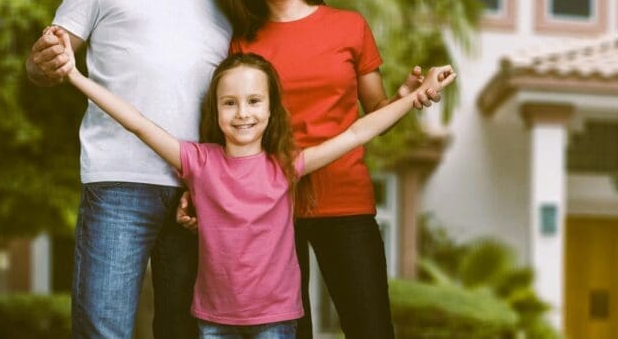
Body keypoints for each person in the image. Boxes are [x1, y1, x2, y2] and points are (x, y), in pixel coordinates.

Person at [53, 27, 456, 339]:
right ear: (216, 109)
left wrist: (416, 95)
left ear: (271, 109)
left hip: (277, 321)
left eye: (253, 101)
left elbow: (356, 134)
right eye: (229, 103)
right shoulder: (198, 160)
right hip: (212, 321)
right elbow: (136, 122)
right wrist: (74, 75)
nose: (242, 113)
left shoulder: (286, 166)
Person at [178, 0, 442, 339]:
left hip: (346, 201)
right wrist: (197, 192)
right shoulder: (243, 42)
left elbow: (373, 115)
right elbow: (228, 135)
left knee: (371, 329)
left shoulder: (349, 27)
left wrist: (405, 96)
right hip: (269, 213)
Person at [25, 0, 231, 339]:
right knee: (104, 331)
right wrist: (42, 60)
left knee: (185, 332)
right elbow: (46, 64)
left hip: (195, 194)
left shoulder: (225, 7)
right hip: (117, 183)